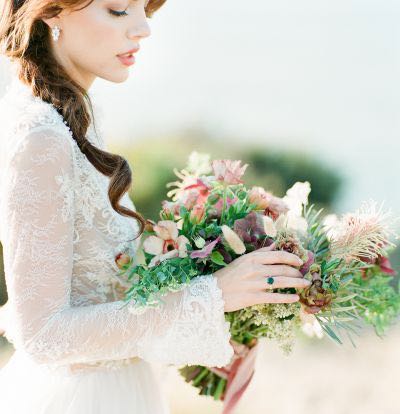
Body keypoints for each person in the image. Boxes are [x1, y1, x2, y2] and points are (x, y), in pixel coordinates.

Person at [0, 0, 311, 412]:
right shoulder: (40, 138)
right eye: (117, 10)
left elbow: (99, 291)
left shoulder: (73, 115)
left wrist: (213, 289)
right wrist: (211, 295)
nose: (143, 29)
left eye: (145, 9)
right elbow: (43, 335)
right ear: (51, 12)